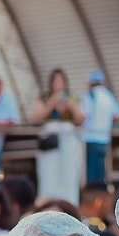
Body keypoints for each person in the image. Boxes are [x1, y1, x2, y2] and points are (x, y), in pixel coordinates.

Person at [31, 68, 85, 204]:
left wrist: (70, 105)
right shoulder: (44, 98)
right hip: (50, 140)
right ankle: (47, 203)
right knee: (48, 175)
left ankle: (70, 203)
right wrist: (52, 103)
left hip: (69, 140)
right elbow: (37, 118)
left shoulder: (72, 98)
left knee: (70, 175)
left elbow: (81, 119)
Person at [79, 71, 119, 184]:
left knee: (91, 175)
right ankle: (101, 198)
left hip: (90, 139)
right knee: (101, 174)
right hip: (104, 139)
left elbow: (82, 117)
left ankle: (91, 198)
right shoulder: (109, 96)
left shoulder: (89, 96)